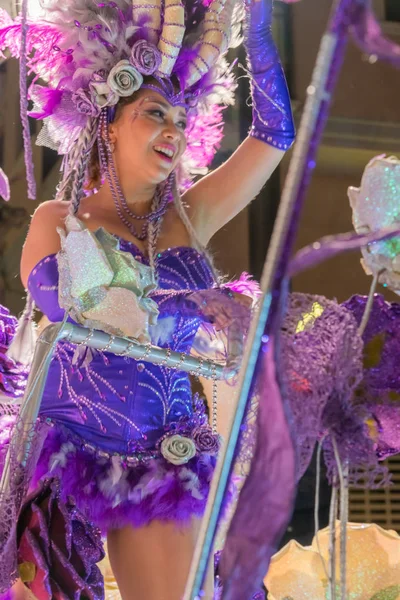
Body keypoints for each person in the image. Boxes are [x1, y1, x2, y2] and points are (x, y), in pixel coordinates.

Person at [0, 0, 295, 598]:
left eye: (182, 120)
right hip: (66, 457)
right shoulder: (59, 220)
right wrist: (193, 307)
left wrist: (260, 28)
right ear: (108, 122)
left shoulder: (192, 217)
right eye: (155, 113)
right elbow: (71, 308)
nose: (174, 131)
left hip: (162, 457)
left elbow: (274, 135)